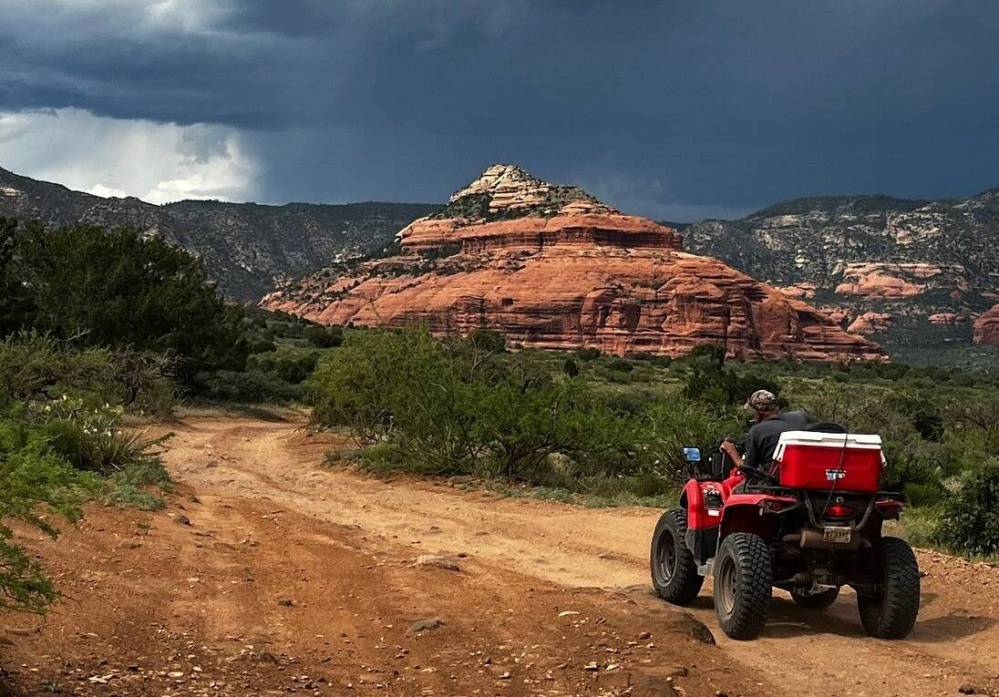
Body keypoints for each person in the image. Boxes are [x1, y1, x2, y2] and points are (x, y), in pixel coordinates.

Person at [720, 389, 811, 477]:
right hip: (807, 474)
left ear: (758, 413)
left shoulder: (757, 431)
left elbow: (748, 470)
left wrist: (731, 451)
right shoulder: (800, 417)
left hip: (777, 483)